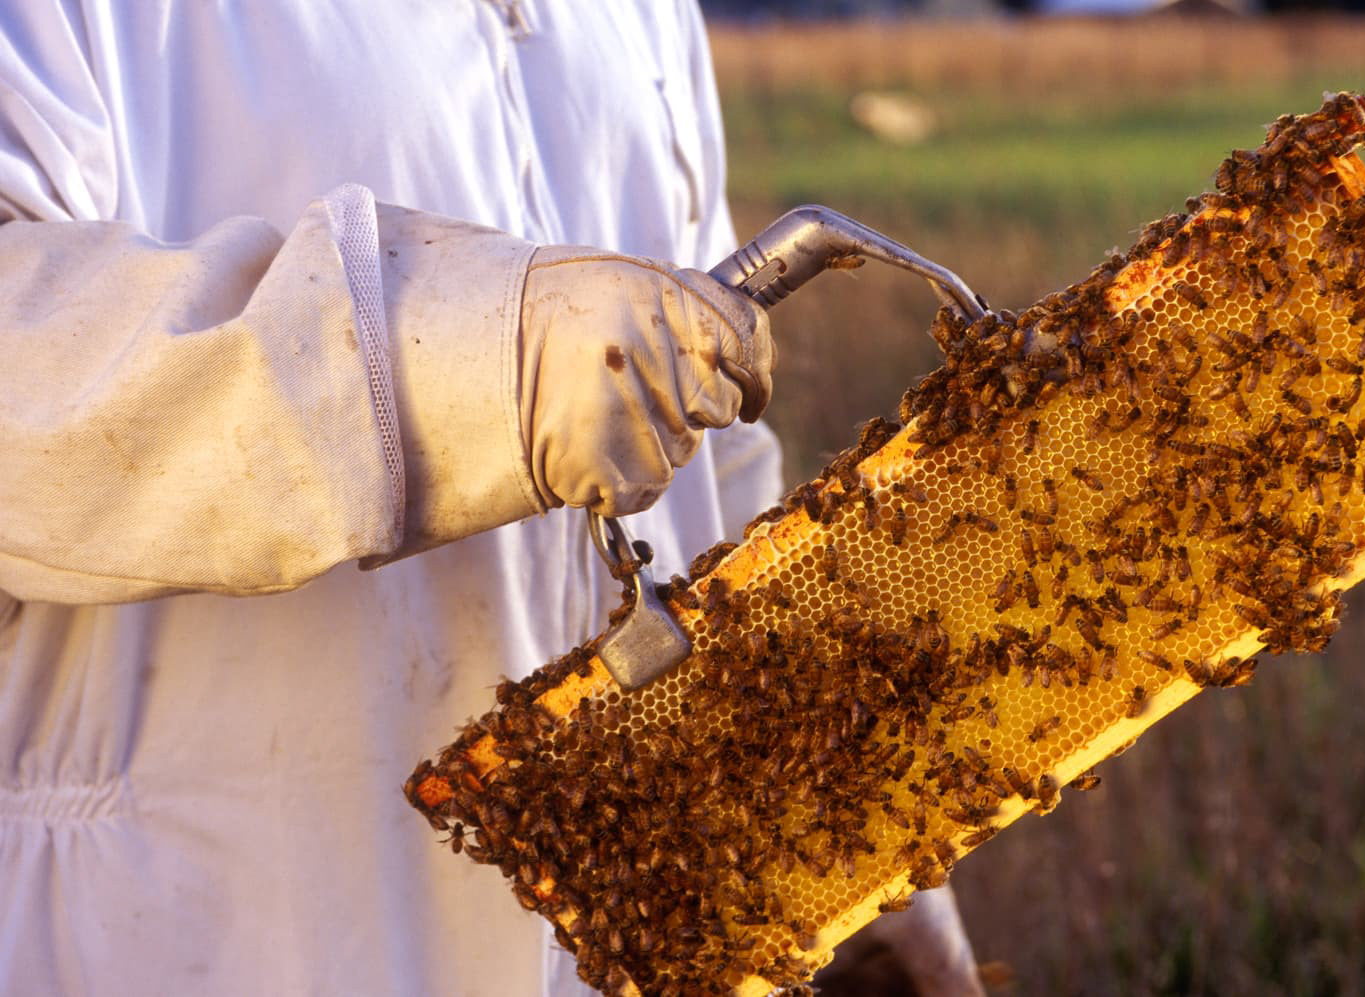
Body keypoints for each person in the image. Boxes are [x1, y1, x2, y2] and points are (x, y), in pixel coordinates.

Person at [0, 3, 981, 993]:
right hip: (203, 933)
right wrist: (463, 364)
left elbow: (712, 475)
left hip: (648, 927)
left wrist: (837, 810)